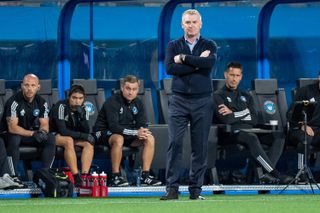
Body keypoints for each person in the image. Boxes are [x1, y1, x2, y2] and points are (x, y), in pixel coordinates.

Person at [160, 9, 217, 200]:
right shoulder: (173, 45)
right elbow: (170, 68)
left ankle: (195, 191)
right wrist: (198, 62)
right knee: (175, 143)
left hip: (203, 100)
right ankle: (172, 190)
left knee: (199, 146)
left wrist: (184, 58)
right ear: (182, 25)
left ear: (200, 24)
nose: (190, 25)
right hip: (179, 99)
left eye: (194, 22)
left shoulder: (209, 44)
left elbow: (208, 64)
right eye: (187, 22)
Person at [213, 62, 290, 184]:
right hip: (230, 133)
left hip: (250, 129)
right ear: (226, 75)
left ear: (241, 76)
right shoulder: (218, 96)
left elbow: (254, 119)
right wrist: (245, 112)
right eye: (232, 75)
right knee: (251, 137)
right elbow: (226, 120)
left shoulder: (246, 95)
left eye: (237, 75)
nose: (234, 79)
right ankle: (274, 173)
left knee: (279, 136)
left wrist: (234, 114)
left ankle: (265, 174)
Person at [93, 75, 161, 187]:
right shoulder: (112, 101)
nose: (131, 92)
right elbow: (114, 127)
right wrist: (135, 133)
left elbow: (142, 124)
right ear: (122, 88)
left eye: (134, 89)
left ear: (137, 90)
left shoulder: (138, 103)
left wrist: (142, 131)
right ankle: (115, 177)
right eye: (128, 89)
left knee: (149, 138)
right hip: (104, 133)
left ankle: (145, 176)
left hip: (125, 134)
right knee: (118, 138)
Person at [2, 74, 55, 184]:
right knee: (14, 138)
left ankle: (45, 174)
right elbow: (12, 128)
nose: (29, 88)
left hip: (28, 134)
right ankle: (13, 175)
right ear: (22, 86)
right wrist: (33, 133)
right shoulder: (14, 102)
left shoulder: (42, 102)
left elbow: (45, 124)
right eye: (26, 85)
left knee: (50, 138)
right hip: (9, 134)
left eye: (33, 85)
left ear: (38, 87)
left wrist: (42, 132)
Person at [49, 84, 95, 187]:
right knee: (68, 140)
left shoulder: (83, 109)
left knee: (88, 144)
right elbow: (63, 131)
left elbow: (86, 131)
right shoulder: (61, 106)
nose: (77, 101)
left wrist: (82, 117)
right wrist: (83, 136)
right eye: (74, 98)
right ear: (69, 97)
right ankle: (76, 176)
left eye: (80, 98)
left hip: (72, 136)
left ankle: (84, 176)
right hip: (54, 135)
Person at [287, 74, 320, 180]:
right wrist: (303, 125)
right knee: (306, 138)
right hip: (299, 127)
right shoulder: (305, 91)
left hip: (318, 130)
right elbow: (290, 114)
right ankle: (301, 173)